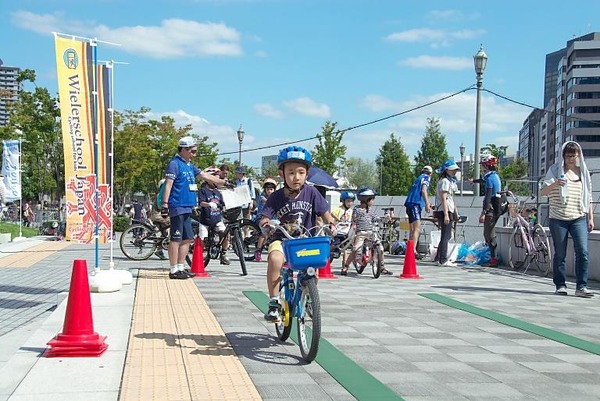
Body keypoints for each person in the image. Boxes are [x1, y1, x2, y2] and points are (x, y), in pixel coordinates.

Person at [258, 145, 336, 322]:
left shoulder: (312, 192)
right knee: (275, 259)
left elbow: (325, 214)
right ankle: (274, 302)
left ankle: (308, 295)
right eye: (291, 172)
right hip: (283, 240)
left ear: (307, 174)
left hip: (306, 240)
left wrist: (331, 224)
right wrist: (267, 224)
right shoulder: (276, 197)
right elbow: (265, 217)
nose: (296, 177)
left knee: (312, 270)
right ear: (282, 174)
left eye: (301, 172)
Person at [160, 136, 226, 280]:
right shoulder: (174, 164)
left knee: (187, 238)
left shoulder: (189, 165)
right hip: (177, 205)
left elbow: (204, 176)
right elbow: (168, 184)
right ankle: (173, 269)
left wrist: (223, 183)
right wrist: (165, 204)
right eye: (193, 151)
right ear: (184, 149)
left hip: (188, 207)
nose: (194, 155)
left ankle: (180, 267)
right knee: (176, 238)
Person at [540, 141, 594, 298]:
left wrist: (590, 218)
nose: (571, 158)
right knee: (560, 253)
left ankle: (581, 286)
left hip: (578, 217)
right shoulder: (555, 170)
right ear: (563, 156)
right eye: (569, 155)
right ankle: (560, 284)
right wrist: (556, 183)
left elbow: (588, 196)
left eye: (574, 155)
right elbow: (543, 192)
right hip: (558, 217)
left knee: (583, 251)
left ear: (579, 155)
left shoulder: (582, 172)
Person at [341, 187, 392, 276]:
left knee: (380, 248)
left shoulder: (370, 210)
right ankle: (346, 266)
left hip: (371, 232)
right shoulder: (357, 209)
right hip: (361, 233)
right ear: (366, 200)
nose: (373, 201)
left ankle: (382, 266)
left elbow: (376, 218)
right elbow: (354, 217)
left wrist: (385, 219)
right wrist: (356, 217)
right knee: (355, 249)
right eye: (372, 199)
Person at [198, 166, 230, 265]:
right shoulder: (203, 190)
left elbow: (222, 204)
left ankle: (223, 253)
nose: (217, 181)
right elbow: (201, 203)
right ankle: (199, 257)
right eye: (215, 178)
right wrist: (208, 204)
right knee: (202, 239)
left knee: (226, 234)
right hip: (205, 221)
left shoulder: (218, 192)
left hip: (217, 219)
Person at [475, 155, 502, 267]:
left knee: (489, 234)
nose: (482, 168)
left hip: (491, 209)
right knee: (489, 233)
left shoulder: (490, 179)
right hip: (497, 207)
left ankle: (493, 259)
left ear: (487, 166)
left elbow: (488, 197)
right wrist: (474, 181)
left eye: (483, 166)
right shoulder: (494, 176)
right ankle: (492, 257)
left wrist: (483, 213)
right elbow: (483, 180)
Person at [434, 160, 460, 267]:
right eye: (452, 170)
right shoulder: (445, 181)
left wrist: (455, 212)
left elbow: (450, 199)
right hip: (444, 210)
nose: (454, 172)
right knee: (446, 235)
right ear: (446, 170)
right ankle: (443, 259)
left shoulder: (447, 181)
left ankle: (438, 257)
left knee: (445, 235)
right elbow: (444, 198)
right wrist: (446, 214)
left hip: (446, 210)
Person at [404, 166, 433, 253]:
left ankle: (409, 249)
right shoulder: (426, 178)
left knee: (412, 229)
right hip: (415, 204)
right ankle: (412, 250)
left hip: (409, 203)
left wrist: (426, 202)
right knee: (417, 228)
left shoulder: (418, 178)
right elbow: (424, 191)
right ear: (430, 173)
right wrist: (427, 203)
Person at [253, 177, 277, 262]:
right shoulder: (262, 197)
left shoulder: (275, 198)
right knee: (265, 231)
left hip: (272, 219)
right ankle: (258, 250)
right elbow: (266, 201)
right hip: (261, 218)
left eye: (271, 189)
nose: (269, 191)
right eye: (268, 189)